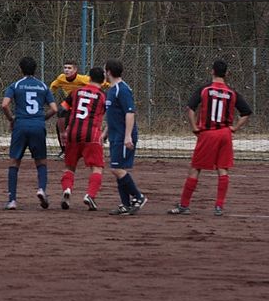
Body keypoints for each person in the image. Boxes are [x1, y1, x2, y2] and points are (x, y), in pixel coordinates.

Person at [168, 59, 252, 217]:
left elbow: (190, 108)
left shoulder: (205, 89)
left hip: (208, 133)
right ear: (226, 74)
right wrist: (235, 127)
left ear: (212, 71)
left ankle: (184, 205)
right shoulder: (232, 92)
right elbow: (246, 112)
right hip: (225, 134)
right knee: (222, 168)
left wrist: (194, 127)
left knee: (196, 168)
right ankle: (219, 206)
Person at [0, 56, 57, 210]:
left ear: (20, 69)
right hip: (38, 125)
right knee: (41, 162)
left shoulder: (16, 85)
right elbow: (54, 109)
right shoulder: (43, 86)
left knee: (14, 162)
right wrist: (42, 118)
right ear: (35, 69)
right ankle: (41, 189)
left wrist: (11, 119)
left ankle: (12, 200)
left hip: (21, 125)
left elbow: (4, 105)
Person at [103, 59, 148, 216]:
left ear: (108, 71)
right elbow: (113, 115)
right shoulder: (111, 90)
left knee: (117, 169)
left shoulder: (122, 90)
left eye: (105, 70)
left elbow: (129, 113)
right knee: (118, 168)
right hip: (115, 135)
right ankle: (125, 204)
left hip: (123, 136)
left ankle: (138, 196)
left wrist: (128, 136)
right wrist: (105, 133)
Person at [58, 67, 107, 211]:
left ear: (89, 78)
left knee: (69, 167)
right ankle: (90, 195)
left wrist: (62, 132)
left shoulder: (76, 92)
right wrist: (105, 134)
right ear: (103, 80)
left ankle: (67, 189)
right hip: (92, 135)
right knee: (97, 168)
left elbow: (61, 111)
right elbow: (111, 116)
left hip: (73, 132)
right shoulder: (103, 96)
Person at [49, 61, 94, 159]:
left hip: (82, 108)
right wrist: (48, 96)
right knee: (59, 125)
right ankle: (64, 151)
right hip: (69, 106)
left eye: (69, 68)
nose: (66, 70)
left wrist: (110, 84)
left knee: (82, 130)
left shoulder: (83, 79)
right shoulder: (61, 78)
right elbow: (52, 87)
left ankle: (87, 151)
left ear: (75, 70)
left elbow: (100, 83)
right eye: (65, 68)